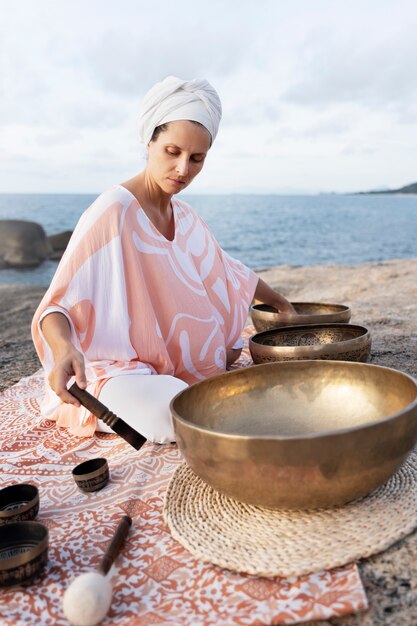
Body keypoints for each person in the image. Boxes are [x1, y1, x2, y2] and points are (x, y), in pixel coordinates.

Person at [32, 76, 295, 444]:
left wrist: (280, 302)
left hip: (172, 367)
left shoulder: (185, 215)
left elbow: (226, 269)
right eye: (172, 151)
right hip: (118, 370)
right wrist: (63, 350)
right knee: (176, 415)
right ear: (149, 141)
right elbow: (57, 305)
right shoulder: (114, 209)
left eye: (197, 158)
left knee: (224, 361)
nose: (183, 169)